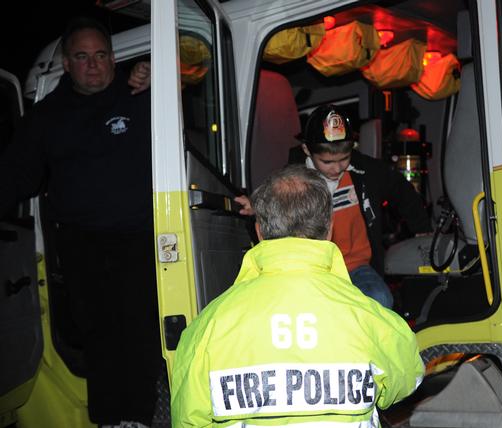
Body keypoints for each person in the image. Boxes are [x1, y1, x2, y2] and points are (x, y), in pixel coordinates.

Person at [171, 164, 424, 427]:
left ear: (259, 231)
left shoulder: (209, 327)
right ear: (329, 229)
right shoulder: (373, 318)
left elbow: (188, 419)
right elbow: (407, 381)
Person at [0, 17, 161, 428]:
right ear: (68, 65)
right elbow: (18, 178)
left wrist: (156, 71)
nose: (94, 65)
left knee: (143, 333)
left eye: (102, 55)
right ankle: (110, 420)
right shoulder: (46, 117)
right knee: (100, 337)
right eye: (82, 57)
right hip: (82, 245)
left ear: (113, 57)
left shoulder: (139, 93)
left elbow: (194, 66)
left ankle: (141, 418)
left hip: (141, 239)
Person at [235, 104, 430, 308]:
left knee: (379, 299)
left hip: (356, 267)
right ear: (307, 150)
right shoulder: (294, 179)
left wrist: (421, 229)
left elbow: (401, 189)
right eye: (327, 162)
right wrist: (257, 205)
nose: (337, 168)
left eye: (344, 159)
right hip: (312, 267)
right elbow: (279, 203)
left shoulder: (365, 170)